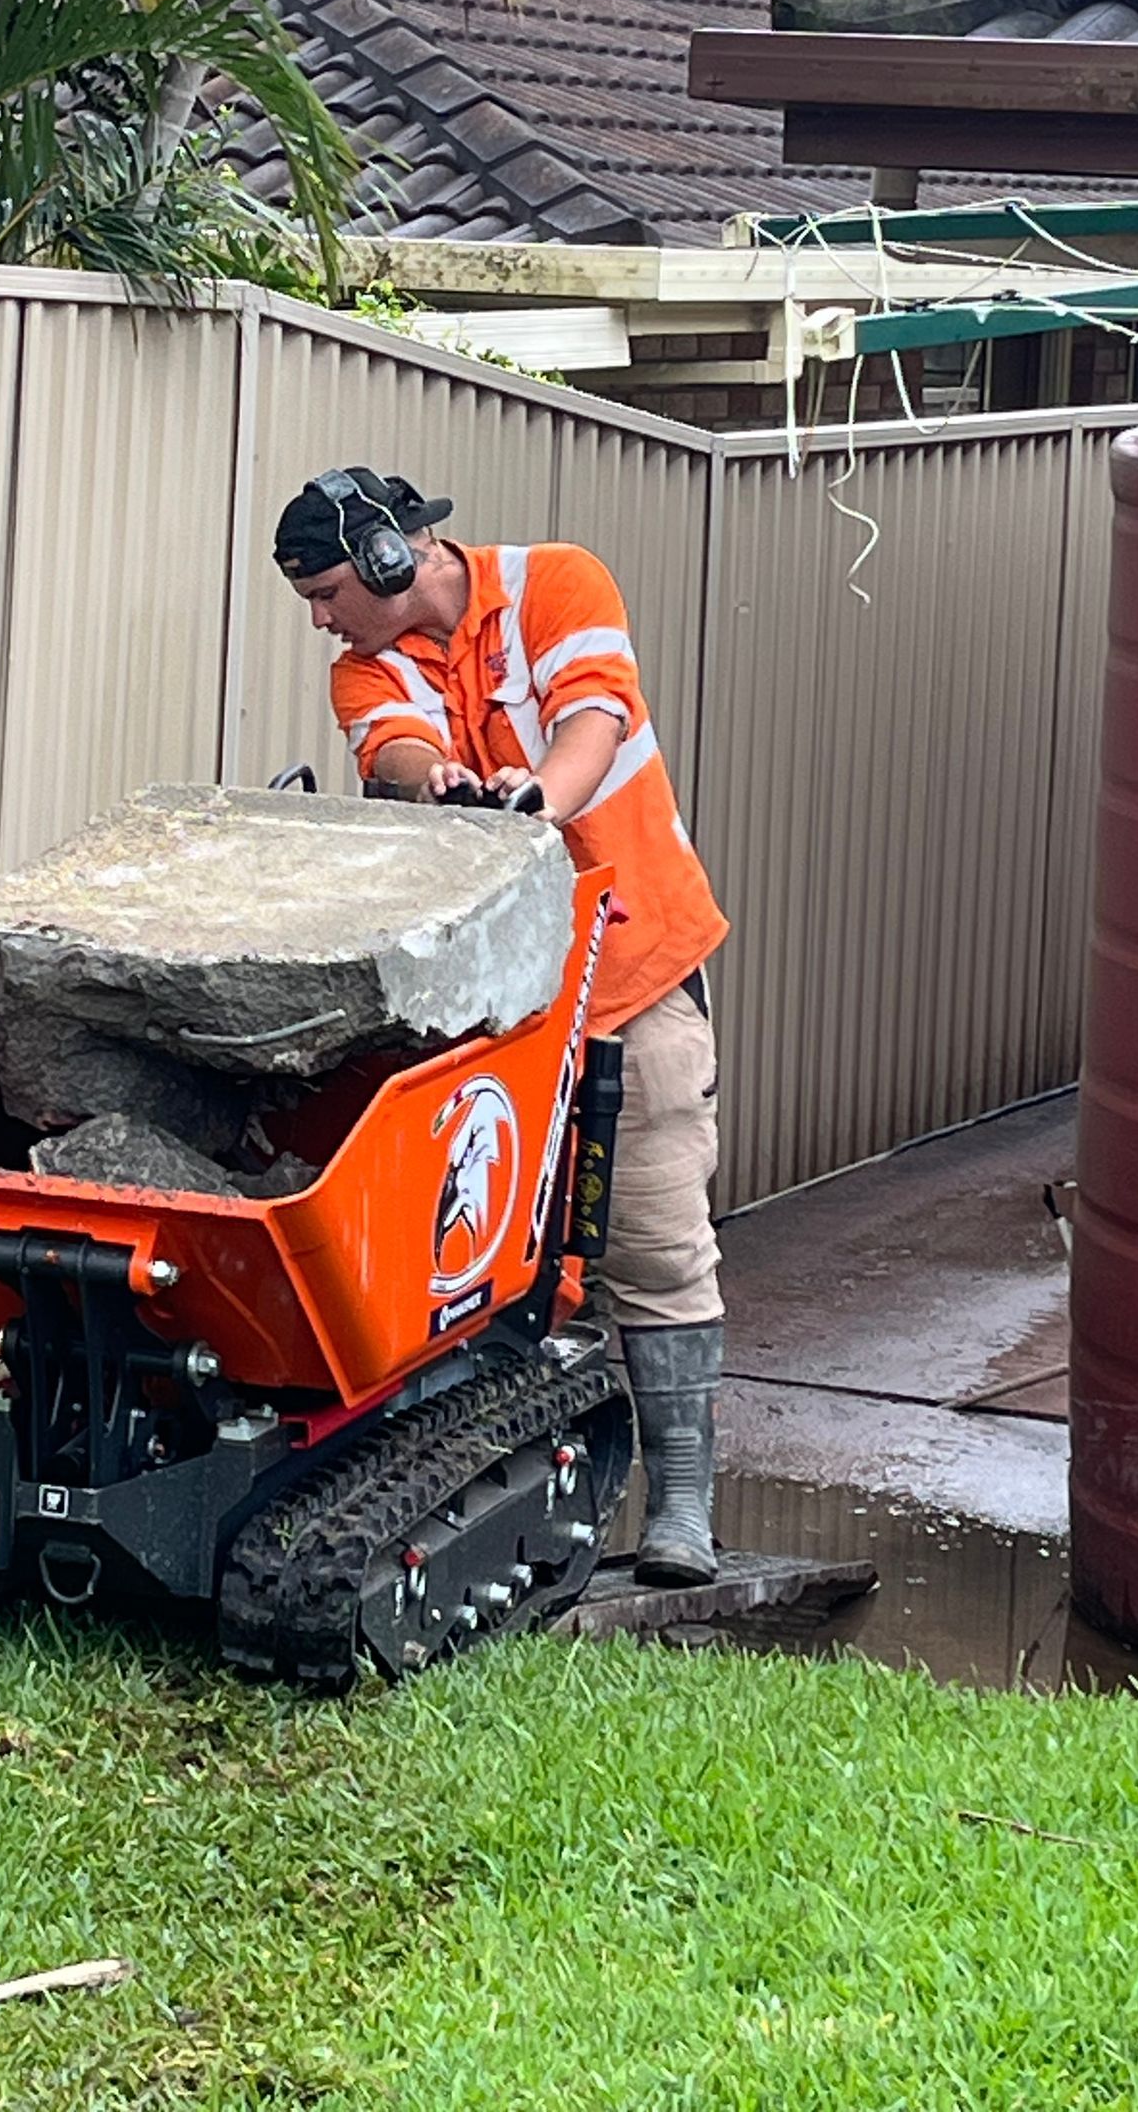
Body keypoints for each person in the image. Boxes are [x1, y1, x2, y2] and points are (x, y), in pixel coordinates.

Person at [272, 465, 731, 1585]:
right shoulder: (366, 666)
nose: (322, 619)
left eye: (327, 592)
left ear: (389, 558)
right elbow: (391, 746)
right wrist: (436, 781)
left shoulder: (557, 584)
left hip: (628, 981)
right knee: (470, 1250)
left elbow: (594, 716)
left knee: (655, 1240)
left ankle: (682, 1507)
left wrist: (537, 804)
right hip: (481, 1015)